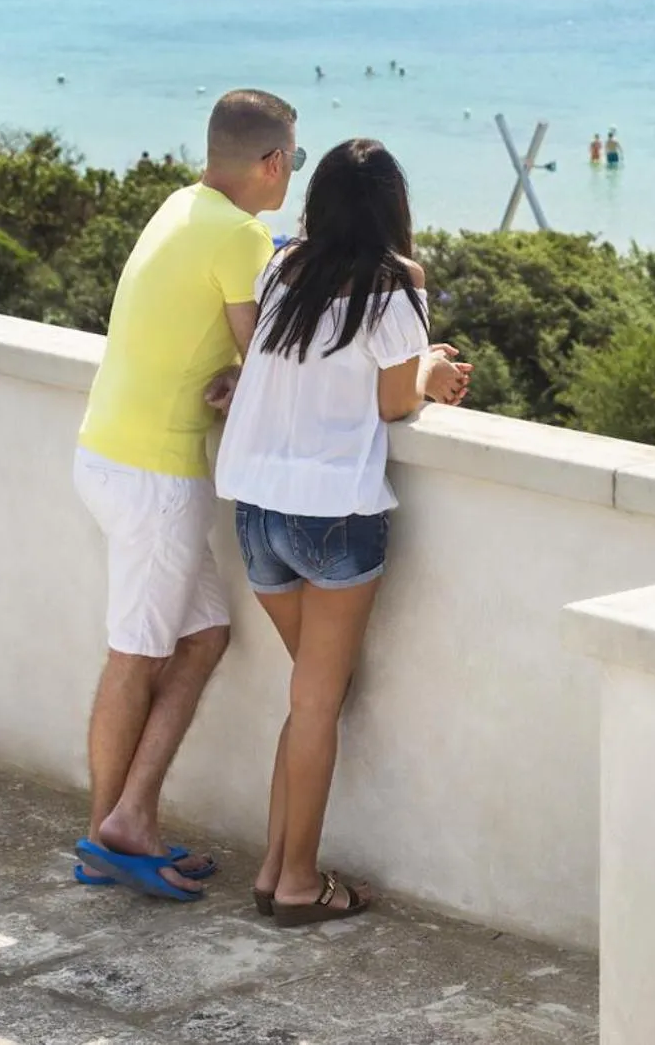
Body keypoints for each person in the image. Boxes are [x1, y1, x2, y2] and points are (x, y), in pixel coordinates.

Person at [216, 138, 471, 927]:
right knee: (321, 701)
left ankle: (273, 867)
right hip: (332, 512)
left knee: (312, 696)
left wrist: (414, 366)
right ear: (394, 207)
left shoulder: (280, 267)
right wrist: (429, 368)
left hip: (256, 507)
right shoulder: (396, 288)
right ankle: (295, 882)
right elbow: (395, 404)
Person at [71, 89, 302, 901]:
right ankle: (115, 830)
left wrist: (242, 372)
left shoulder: (180, 205)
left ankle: (123, 823)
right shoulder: (242, 235)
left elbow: (236, 356)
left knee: (202, 637)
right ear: (271, 163)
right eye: (293, 161)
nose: (291, 177)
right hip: (154, 477)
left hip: (108, 455)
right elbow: (271, 360)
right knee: (135, 655)